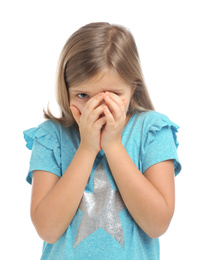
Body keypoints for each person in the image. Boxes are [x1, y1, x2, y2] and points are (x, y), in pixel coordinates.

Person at [23, 22, 181, 260]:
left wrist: (113, 145)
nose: (97, 109)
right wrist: (87, 148)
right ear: (65, 90)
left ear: (133, 87)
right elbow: (48, 230)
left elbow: (157, 224)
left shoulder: (152, 131)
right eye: (83, 95)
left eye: (113, 95)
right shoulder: (51, 136)